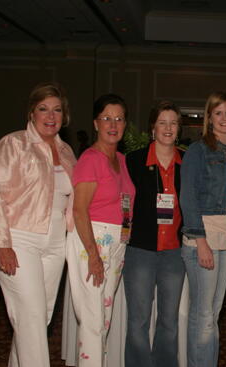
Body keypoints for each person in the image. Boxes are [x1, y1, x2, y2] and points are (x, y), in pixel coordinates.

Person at [0, 82, 76, 367]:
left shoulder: (68, 152)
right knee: (32, 317)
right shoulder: (13, 144)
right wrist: (2, 244)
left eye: (57, 110)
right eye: (43, 109)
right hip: (19, 239)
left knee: (37, 318)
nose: (51, 116)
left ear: (65, 115)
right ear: (32, 112)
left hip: (56, 242)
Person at [66, 93, 136, 367]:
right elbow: (79, 210)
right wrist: (93, 255)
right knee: (93, 321)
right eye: (107, 118)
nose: (113, 124)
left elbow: (125, 204)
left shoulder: (122, 159)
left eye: (119, 118)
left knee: (103, 320)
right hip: (90, 242)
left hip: (117, 245)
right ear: (96, 123)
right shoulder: (90, 159)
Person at [180, 91, 226, 367]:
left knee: (213, 314)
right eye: (218, 113)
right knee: (203, 315)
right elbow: (188, 196)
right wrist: (200, 239)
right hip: (202, 238)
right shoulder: (199, 150)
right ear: (208, 118)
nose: (224, 118)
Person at [123, 100, 185, 367]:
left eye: (173, 123)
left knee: (169, 321)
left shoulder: (187, 162)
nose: (168, 128)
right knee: (139, 320)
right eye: (162, 122)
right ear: (153, 128)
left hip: (174, 252)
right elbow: (123, 203)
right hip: (140, 250)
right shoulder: (133, 161)